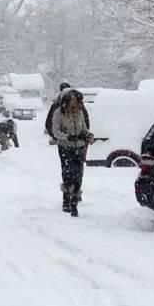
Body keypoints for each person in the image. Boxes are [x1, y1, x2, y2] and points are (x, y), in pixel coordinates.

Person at [49, 88, 94, 216]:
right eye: (72, 102)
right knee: (68, 172)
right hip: (65, 147)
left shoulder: (80, 113)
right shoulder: (58, 113)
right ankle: (66, 199)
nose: (75, 105)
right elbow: (55, 131)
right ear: (66, 102)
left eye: (77, 102)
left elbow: (84, 127)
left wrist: (87, 135)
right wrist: (68, 137)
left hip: (79, 147)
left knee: (78, 174)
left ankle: (75, 201)